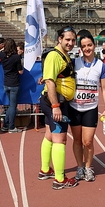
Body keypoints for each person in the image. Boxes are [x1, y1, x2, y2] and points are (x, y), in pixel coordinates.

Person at [38, 26, 78, 190]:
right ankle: (60, 179)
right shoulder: (55, 56)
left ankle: (45, 170)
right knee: (60, 140)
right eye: (67, 39)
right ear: (59, 39)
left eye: (73, 40)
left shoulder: (63, 56)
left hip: (55, 101)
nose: (70, 43)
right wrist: (56, 107)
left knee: (49, 136)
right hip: (56, 103)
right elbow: (50, 81)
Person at [69, 33, 105, 182]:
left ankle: (88, 167)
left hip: (91, 108)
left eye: (89, 45)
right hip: (74, 108)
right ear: (80, 48)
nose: (87, 48)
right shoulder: (74, 63)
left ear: (94, 45)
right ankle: (80, 167)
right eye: (84, 46)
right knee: (77, 140)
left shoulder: (101, 65)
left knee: (88, 141)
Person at [0, 38, 23, 133]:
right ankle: (11, 127)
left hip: (6, 83)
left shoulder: (2, 54)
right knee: (13, 106)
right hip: (14, 83)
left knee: (10, 105)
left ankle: (5, 125)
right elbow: (20, 72)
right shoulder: (16, 57)